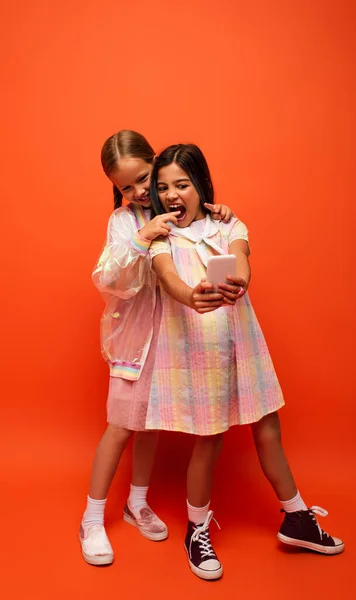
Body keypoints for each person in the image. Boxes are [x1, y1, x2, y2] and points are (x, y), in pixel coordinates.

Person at [147, 143, 344, 580]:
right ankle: (196, 529)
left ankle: (296, 518)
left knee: (269, 430)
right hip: (197, 351)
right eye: (163, 187)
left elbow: (241, 255)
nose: (172, 193)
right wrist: (191, 297)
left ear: (201, 185)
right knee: (209, 440)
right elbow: (168, 277)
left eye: (182, 183)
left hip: (243, 343)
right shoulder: (159, 235)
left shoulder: (227, 222)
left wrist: (239, 280)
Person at [80, 131, 233, 566]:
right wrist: (141, 236)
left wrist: (217, 210)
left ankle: (137, 501)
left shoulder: (174, 202)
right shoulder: (125, 220)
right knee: (121, 424)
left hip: (174, 336)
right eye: (126, 186)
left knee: (151, 423)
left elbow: (206, 230)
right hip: (135, 337)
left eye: (144, 178)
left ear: (156, 163)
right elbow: (108, 279)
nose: (139, 192)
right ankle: (91, 518)